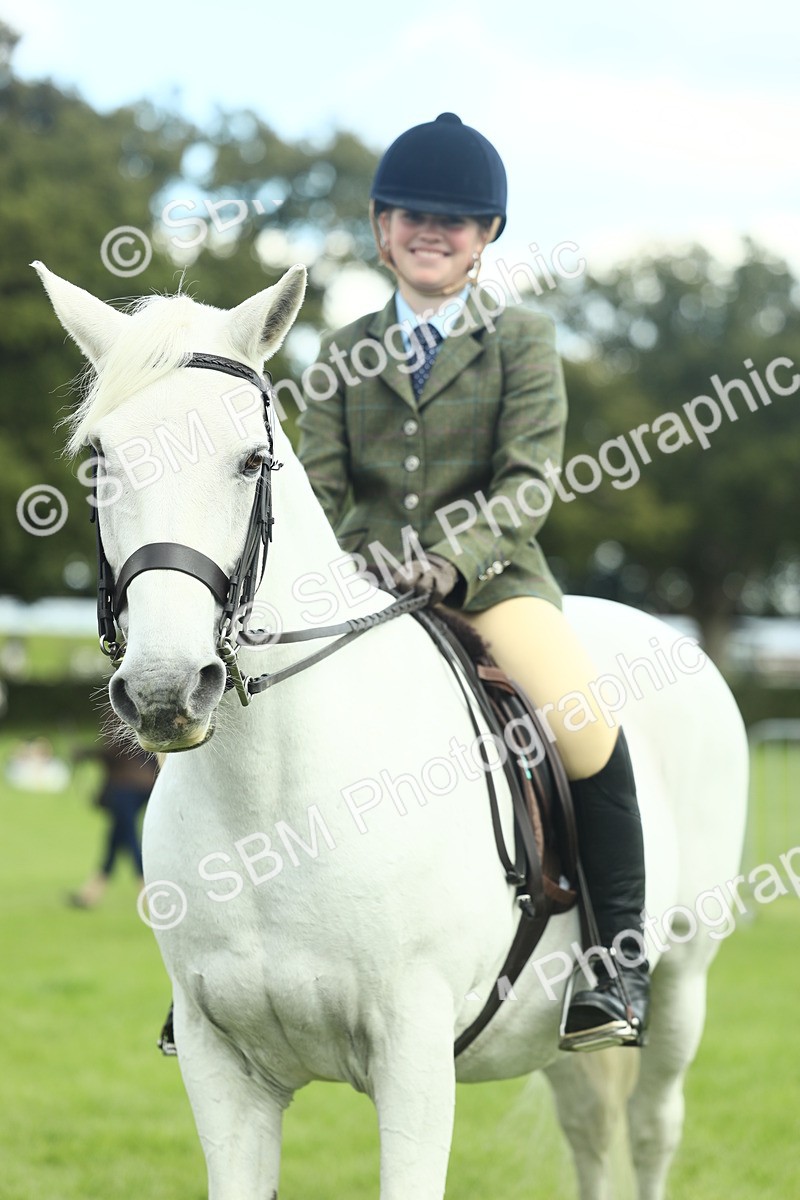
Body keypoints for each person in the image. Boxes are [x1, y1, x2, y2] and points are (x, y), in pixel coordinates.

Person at [296, 113, 650, 1050]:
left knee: (587, 730)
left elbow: (530, 480)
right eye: (412, 213)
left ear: (486, 236)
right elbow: (316, 491)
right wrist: (350, 560)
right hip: (359, 593)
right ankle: (217, 968)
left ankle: (614, 967)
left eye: (456, 219)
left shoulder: (523, 342)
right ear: (380, 228)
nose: (432, 229)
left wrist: (453, 559)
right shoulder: (339, 354)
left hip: (493, 584)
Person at [69, 737, 157, 908]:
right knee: (115, 839)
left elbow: (115, 751)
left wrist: (86, 753)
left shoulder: (121, 711)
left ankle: (150, 892)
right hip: (143, 784)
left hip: (127, 786)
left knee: (130, 839)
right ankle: (90, 894)